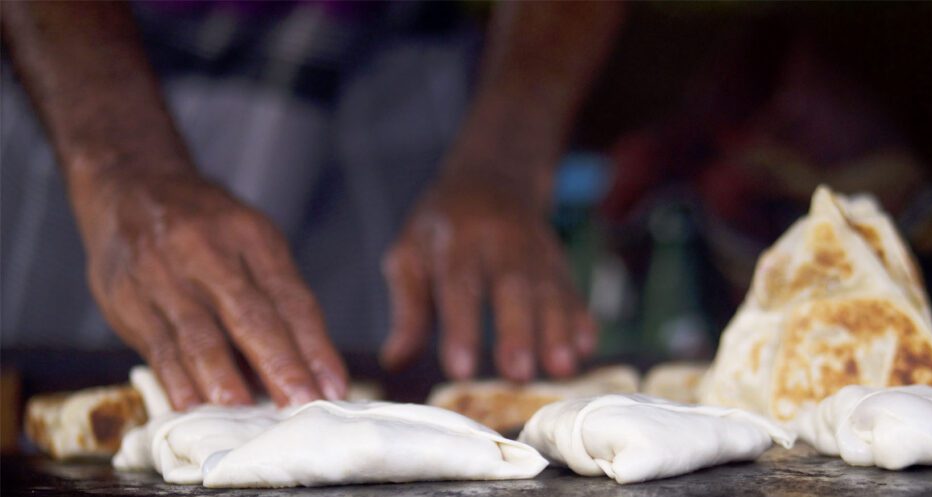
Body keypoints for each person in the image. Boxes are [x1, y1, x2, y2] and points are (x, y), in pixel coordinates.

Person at [3, 0, 624, 410]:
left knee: (388, 444)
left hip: (396, 62)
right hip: (88, 67)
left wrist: (502, 158)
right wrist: (122, 165)